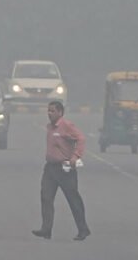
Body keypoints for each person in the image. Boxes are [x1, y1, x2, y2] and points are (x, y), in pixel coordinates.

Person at [32, 100, 91, 241]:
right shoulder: (50, 127)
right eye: (48, 110)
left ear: (60, 112)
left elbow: (81, 139)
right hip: (50, 168)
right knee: (46, 197)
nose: (49, 113)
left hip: (65, 168)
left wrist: (75, 156)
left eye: (52, 111)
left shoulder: (66, 126)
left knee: (73, 199)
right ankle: (46, 229)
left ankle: (83, 229)